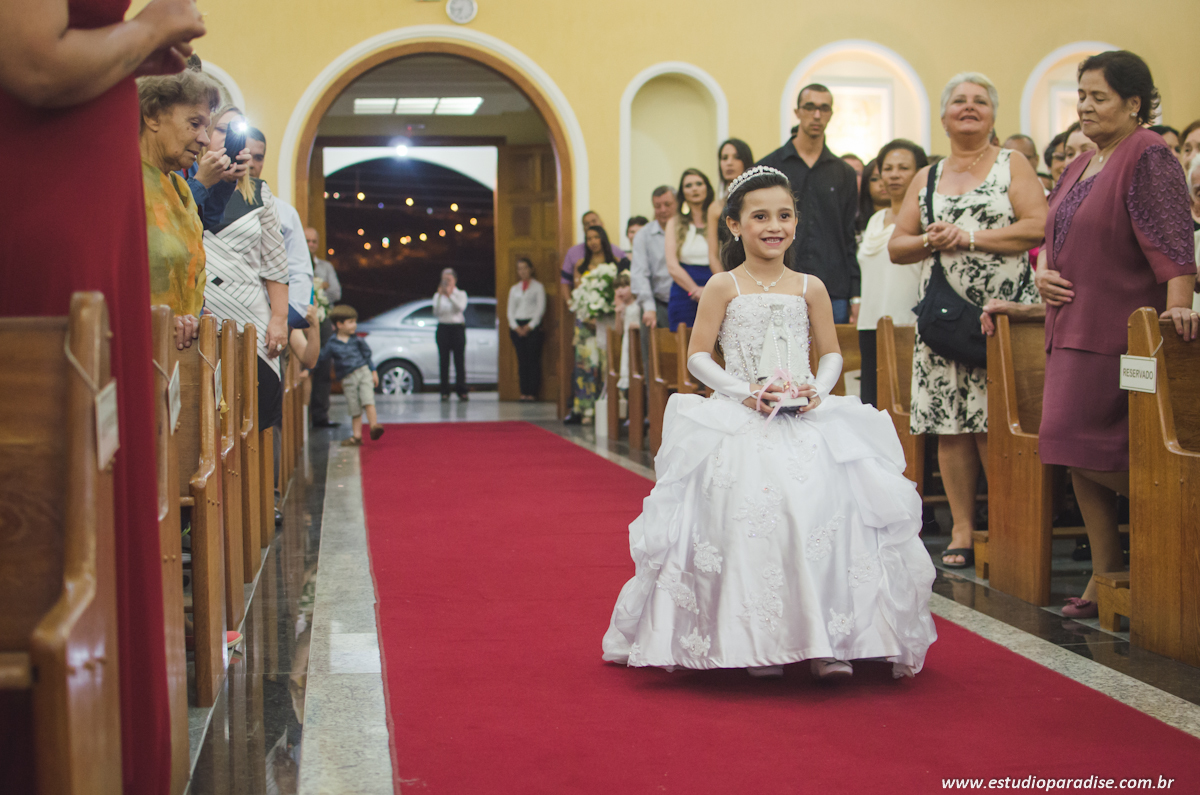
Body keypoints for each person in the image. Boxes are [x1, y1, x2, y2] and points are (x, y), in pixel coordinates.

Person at [601, 165, 936, 680]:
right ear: (735, 225)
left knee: (826, 511)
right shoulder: (722, 284)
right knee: (752, 515)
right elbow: (697, 358)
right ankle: (758, 639)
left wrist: (816, 390)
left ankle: (830, 640)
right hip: (743, 412)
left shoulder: (811, 286)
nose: (773, 226)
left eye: (783, 215)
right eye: (759, 216)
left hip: (804, 414)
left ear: (796, 224)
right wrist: (745, 392)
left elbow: (829, 354)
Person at [0, 2, 206, 793]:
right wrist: (150, 30)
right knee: (59, 477)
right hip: (46, 175)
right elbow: (33, 64)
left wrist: (138, 52)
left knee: (98, 467)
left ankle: (100, 749)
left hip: (82, 172)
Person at [1033, 51, 1197, 618]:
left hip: (1125, 334)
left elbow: (1175, 243)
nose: (1085, 106)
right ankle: (1106, 576)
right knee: (1074, 446)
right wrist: (1041, 275)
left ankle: (1179, 523)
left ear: (1134, 103)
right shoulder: (1082, 163)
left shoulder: (1147, 153)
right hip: (1071, 327)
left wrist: (1177, 315)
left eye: (1098, 96)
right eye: (1080, 96)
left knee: (1083, 442)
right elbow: (1060, 239)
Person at [888, 72, 1046, 569]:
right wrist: (931, 241)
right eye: (960, 100)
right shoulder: (927, 176)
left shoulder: (1011, 163)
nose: (970, 107)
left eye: (981, 100)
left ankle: (1006, 523)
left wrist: (970, 238)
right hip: (943, 318)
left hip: (1002, 317)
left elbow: (1038, 225)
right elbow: (897, 246)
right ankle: (961, 527)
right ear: (943, 115)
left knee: (996, 424)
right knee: (951, 426)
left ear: (994, 115)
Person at [201, 120, 290, 432]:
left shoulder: (260, 193)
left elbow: (276, 263)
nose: (248, 158)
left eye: (256, 155)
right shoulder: (188, 187)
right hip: (203, 310)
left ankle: (266, 481)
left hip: (250, 311)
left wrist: (279, 317)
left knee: (257, 412)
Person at [757, 83, 860, 323]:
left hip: (832, 289)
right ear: (797, 112)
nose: (816, 115)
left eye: (824, 109)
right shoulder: (769, 167)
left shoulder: (843, 172)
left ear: (830, 114)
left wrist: (856, 294)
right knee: (777, 360)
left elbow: (848, 237)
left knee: (832, 359)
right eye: (810, 107)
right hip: (777, 285)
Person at [137, 68, 219, 348]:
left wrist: (194, 315)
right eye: (195, 123)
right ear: (152, 115)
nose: (205, 139)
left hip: (179, 355)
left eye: (206, 127)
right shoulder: (122, 182)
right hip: (138, 347)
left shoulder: (181, 187)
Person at [856, 140, 929, 407]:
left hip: (907, 324)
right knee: (873, 405)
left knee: (906, 406)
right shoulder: (875, 219)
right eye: (887, 168)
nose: (894, 174)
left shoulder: (924, 219)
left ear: (920, 172)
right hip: (870, 324)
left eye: (903, 168)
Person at [244, 126, 314, 329]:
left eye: (258, 157)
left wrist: (285, 319)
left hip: (275, 315)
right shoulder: (213, 207)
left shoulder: (285, 213)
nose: (251, 164)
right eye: (246, 155)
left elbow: (299, 269)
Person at [567, 225, 620, 424]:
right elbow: (577, 295)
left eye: (597, 237)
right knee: (586, 366)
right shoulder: (580, 264)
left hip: (607, 321)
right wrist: (588, 316)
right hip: (585, 322)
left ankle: (606, 408)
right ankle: (586, 410)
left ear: (603, 239)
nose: (593, 241)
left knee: (607, 364)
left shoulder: (614, 264)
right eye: (589, 238)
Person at [318, 305, 384, 446]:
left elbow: (367, 356)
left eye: (354, 321)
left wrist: (373, 371)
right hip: (347, 378)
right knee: (354, 408)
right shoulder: (332, 343)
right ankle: (357, 436)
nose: (354, 325)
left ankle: (374, 426)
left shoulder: (357, 340)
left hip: (363, 372)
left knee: (368, 400)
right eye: (350, 322)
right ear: (339, 324)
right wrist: (307, 369)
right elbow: (322, 357)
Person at [630, 185, 679, 369]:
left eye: (667, 204)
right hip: (658, 304)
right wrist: (649, 308)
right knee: (655, 364)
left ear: (677, 204)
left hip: (686, 302)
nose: (663, 210)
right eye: (658, 206)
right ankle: (655, 398)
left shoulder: (685, 230)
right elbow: (639, 273)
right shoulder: (644, 235)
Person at [664, 168, 717, 329]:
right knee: (683, 347)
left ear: (707, 188)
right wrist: (695, 290)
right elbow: (672, 265)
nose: (694, 188)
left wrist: (708, 292)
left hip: (716, 287)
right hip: (685, 292)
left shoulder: (719, 219)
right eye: (688, 186)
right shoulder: (674, 222)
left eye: (699, 184)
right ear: (682, 193)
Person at [306, 226, 341, 426]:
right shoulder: (292, 263)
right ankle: (301, 417)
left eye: (314, 241)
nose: (311, 245)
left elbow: (336, 292)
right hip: (300, 320)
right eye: (307, 241)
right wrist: (318, 286)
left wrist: (318, 293)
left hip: (323, 319)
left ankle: (320, 416)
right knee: (304, 368)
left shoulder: (326, 267)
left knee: (324, 367)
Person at [706, 138, 754, 269]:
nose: (729, 163)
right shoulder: (715, 208)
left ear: (746, 161)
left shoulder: (758, 202)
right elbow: (713, 256)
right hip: (728, 275)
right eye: (724, 158)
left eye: (736, 157)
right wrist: (726, 284)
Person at [559, 210, 625, 302]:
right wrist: (571, 304)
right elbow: (566, 281)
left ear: (601, 224)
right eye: (586, 224)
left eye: (594, 221)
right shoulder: (575, 255)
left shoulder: (617, 254)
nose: (593, 242)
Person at [507, 257, 546, 401]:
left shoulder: (538, 287)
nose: (522, 271)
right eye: (519, 269)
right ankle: (523, 392)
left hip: (532, 326)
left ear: (531, 269)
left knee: (533, 360)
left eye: (525, 268)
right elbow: (510, 311)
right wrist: (516, 327)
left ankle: (532, 392)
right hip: (517, 325)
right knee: (522, 360)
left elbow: (540, 309)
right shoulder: (514, 289)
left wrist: (530, 326)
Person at [433, 267, 469, 401]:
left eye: (449, 279)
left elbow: (460, 308)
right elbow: (436, 312)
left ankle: (461, 390)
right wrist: (440, 295)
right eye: (444, 279)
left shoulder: (461, 294)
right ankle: (444, 391)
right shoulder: (438, 296)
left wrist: (450, 295)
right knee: (444, 361)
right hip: (443, 328)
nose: (446, 282)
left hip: (457, 328)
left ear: (454, 280)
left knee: (459, 361)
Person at [855, 158, 889, 242]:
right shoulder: (854, 224)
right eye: (875, 179)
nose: (882, 183)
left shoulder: (910, 222)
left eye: (887, 177)